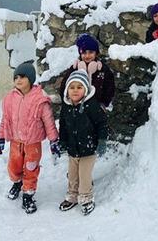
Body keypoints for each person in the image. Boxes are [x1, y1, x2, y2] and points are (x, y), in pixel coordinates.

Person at [0, 61, 60, 214]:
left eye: (22, 77)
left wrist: (53, 141)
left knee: (31, 168)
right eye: (16, 77)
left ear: (31, 79)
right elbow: (5, 120)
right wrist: (1, 138)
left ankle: (28, 194)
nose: (18, 80)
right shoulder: (10, 99)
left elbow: (49, 122)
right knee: (14, 167)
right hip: (15, 142)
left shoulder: (40, 100)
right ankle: (17, 183)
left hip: (33, 143)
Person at [57, 69, 109, 216]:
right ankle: (72, 196)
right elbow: (63, 125)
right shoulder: (66, 106)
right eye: (72, 87)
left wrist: (102, 141)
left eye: (79, 87)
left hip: (88, 148)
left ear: (85, 89)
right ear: (67, 90)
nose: (75, 91)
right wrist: (63, 141)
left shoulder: (91, 105)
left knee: (84, 175)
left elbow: (102, 123)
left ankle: (86, 198)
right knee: (73, 175)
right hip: (73, 149)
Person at [58, 34, 116, 111]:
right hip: (76, 108)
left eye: (91, 52)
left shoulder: (103, 70)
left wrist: (103, 103)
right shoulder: (75, 69)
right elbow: (64, 87)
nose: (87, 56)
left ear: (96, 53)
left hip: (96, 109)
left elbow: (110, 88)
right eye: (84, 52)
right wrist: (69, 103)